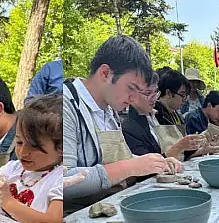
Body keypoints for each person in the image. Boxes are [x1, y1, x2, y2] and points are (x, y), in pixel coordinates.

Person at [62, 36, 183, 212]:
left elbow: (119, 159)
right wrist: (132, 166)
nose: (134, 98)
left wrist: (155, 162)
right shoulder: (66, 104)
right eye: (131, 88)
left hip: (109, 207)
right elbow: (63, 182)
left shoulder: (110, 110)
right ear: (105, 73)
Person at [0, 94, 63, 223]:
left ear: (61, 148)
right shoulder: (13, 169)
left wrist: (8, 202)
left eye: (34, 146)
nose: (23, 152)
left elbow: (54, 222)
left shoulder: (60, 179)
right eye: (19, 142)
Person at [154, 69, 208, 160]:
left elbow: (184, 153)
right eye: (182, 95)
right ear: (169, 93)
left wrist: (203, 148)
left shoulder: (176, 115)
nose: (184, 99)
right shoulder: (155, 114)